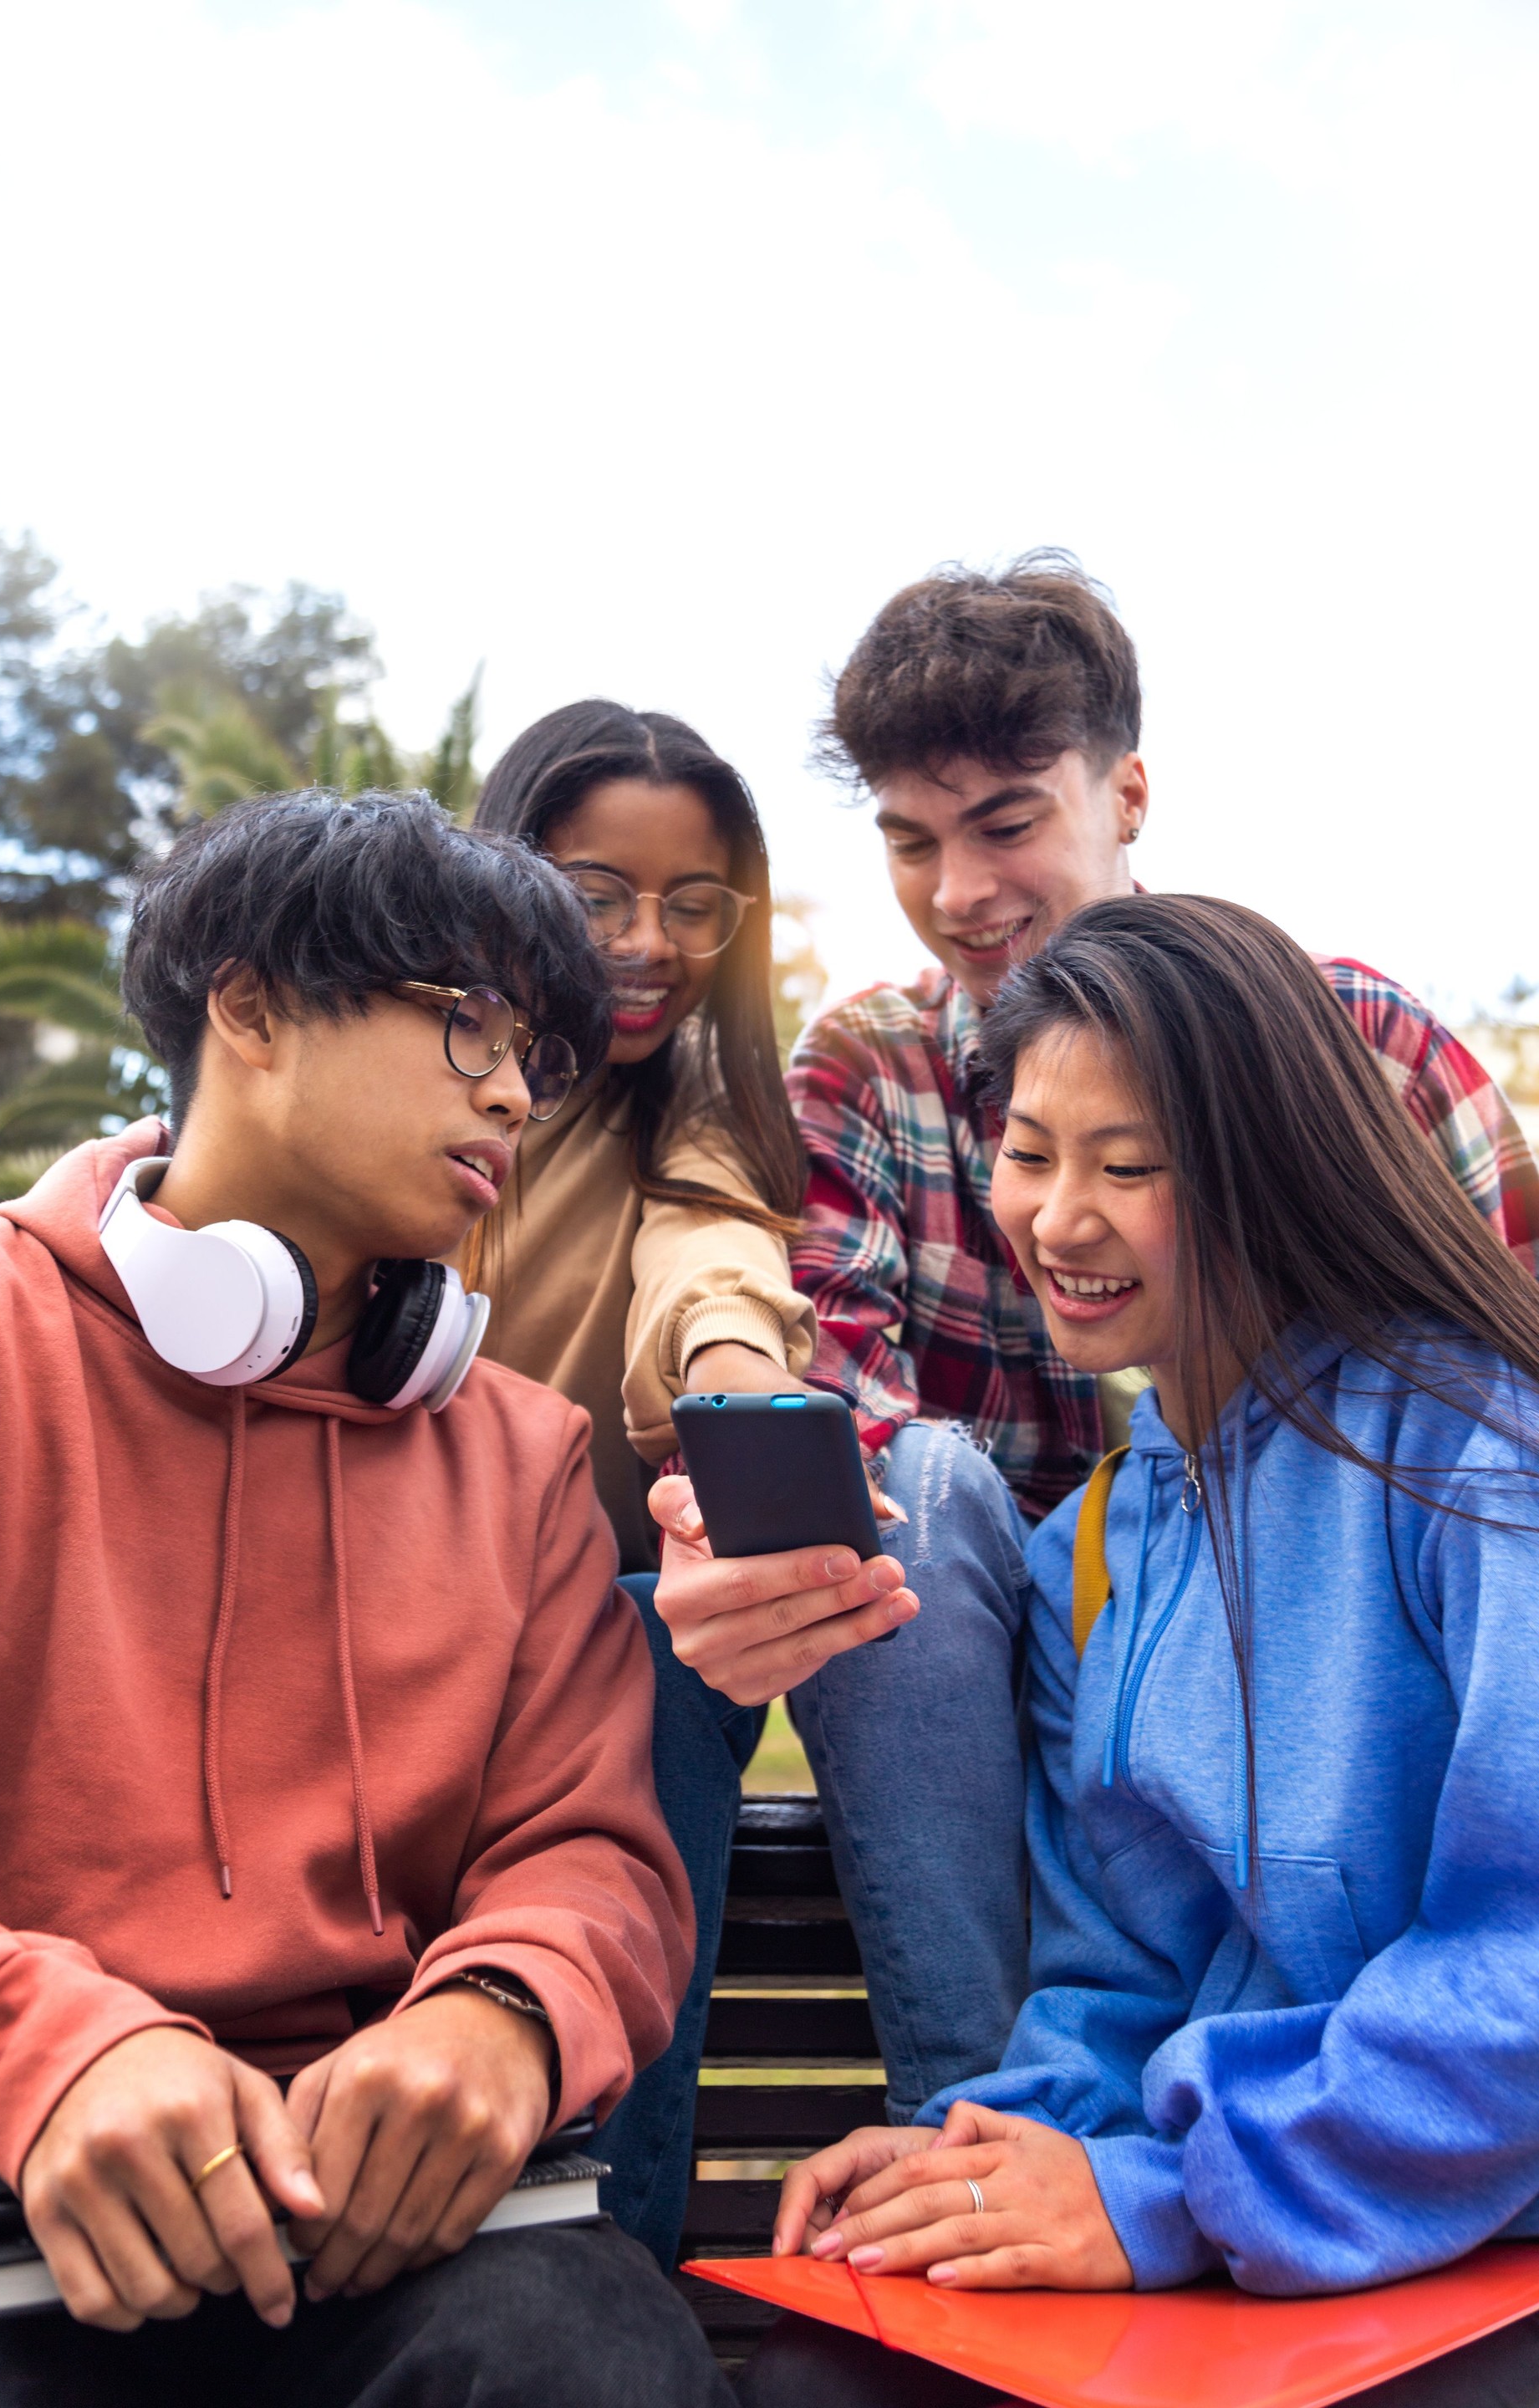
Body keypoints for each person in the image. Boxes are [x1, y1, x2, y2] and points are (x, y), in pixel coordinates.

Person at [655, 554, 1539, 2134]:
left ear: (1126, 793)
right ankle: (989, 2120)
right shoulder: (869, 1068)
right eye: (912, 844)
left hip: (1353, 1695)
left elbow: (1490, 1402)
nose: (961, 889)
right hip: (1015, 1663)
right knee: (908, 1484)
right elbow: (827, 1407)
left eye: (1007, 823)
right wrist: (748, 1539)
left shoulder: (1355, 1049)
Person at [0, 791, 732, 2407]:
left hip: (395, 2246)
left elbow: (590, 1859)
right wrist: (34, 2042)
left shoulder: (519, 1455)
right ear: (251, 1008)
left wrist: (507, 2017)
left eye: (537, 1058)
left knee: (592, 2356)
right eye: (466, 1026)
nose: (514, 1089)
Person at [734, 893, 1539, 2406]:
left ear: (1269, 1172)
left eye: (1130, 1166)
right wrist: (984, 2151)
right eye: (1030, 1155)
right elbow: (1119, 1973)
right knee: (817, 2375)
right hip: (1235, 2225)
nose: (1056, 1218)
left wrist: (1169, 2198)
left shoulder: (1480, 1450)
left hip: (1471, 2228)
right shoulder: (1096, 1547)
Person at [472, 702, 816, 2269]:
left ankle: (614, 2252)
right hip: (363, 1613)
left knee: (646, 1633)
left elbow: (713, 1253)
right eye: (597, 893)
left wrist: (740, 1383)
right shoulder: (386, 1094)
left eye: (694, 905)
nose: (646, 942)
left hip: (578, 1655)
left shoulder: (690, 1107)